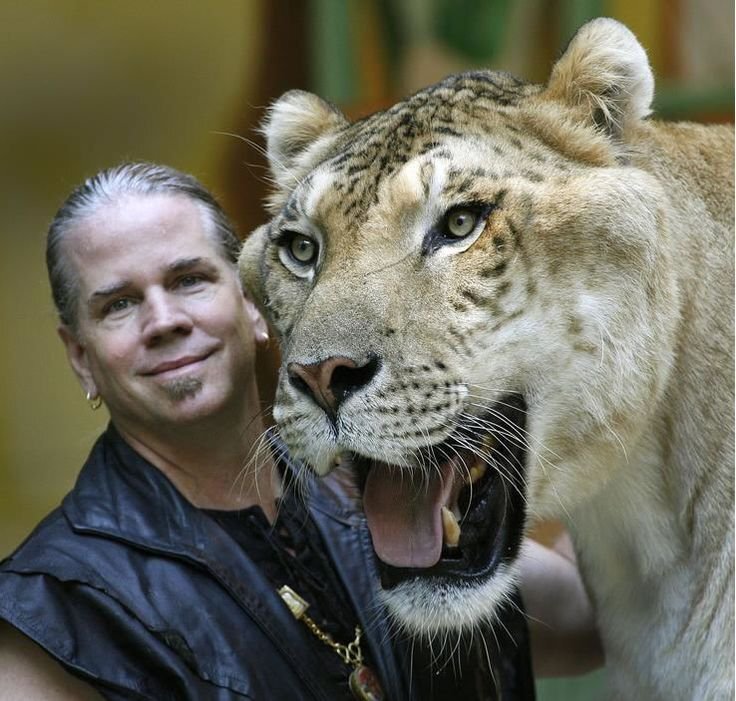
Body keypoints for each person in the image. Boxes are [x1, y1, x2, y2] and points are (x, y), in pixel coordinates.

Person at [0, 162, 555, 699]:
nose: (164, 321)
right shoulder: (50, 614)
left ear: (253, 301)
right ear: (80, 357)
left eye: (189, 280)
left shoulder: (377, 491)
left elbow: (592, 614)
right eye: (119, 305)